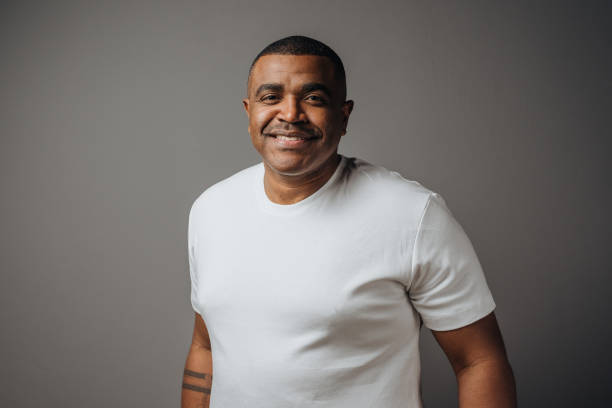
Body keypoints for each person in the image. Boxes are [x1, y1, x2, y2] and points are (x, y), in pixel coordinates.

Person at [181, 35, 516, 408]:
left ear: (344, 116)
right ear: (249, 112)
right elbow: (206, 345)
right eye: (271, 97)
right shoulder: (211, 209)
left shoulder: (412, 216)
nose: (290, 114)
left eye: (313, 98)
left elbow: (479, 361)